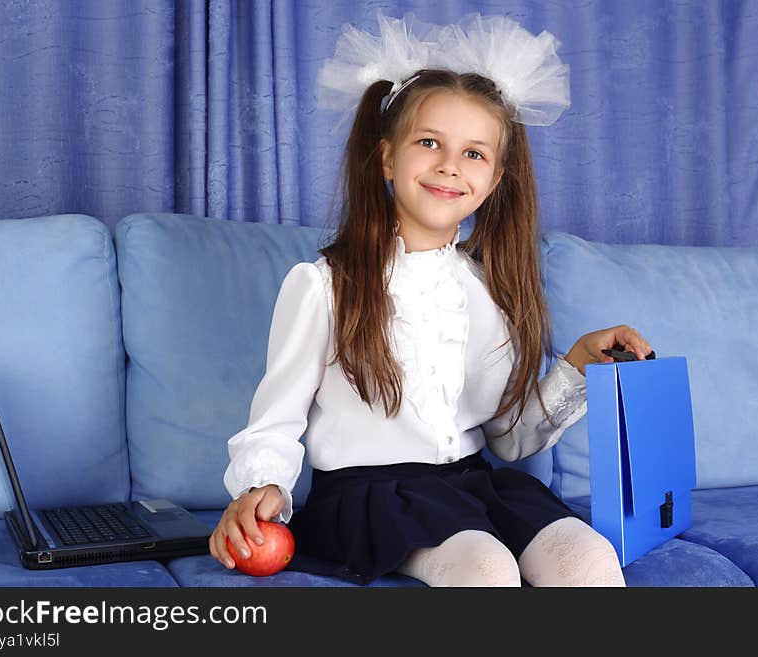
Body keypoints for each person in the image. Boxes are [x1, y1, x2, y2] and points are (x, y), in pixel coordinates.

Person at [209, 13, 652, 586]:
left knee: (591, 559)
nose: (449, 165)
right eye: (428, 143)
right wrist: (260, 485)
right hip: (369, 495)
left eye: (474, 153)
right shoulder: (322, 284)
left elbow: (510, 441)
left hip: (470, 485)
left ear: (494, 179)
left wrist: (576, 368)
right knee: (485, 567)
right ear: (388, 159)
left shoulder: (491, 289)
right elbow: (275, 421)